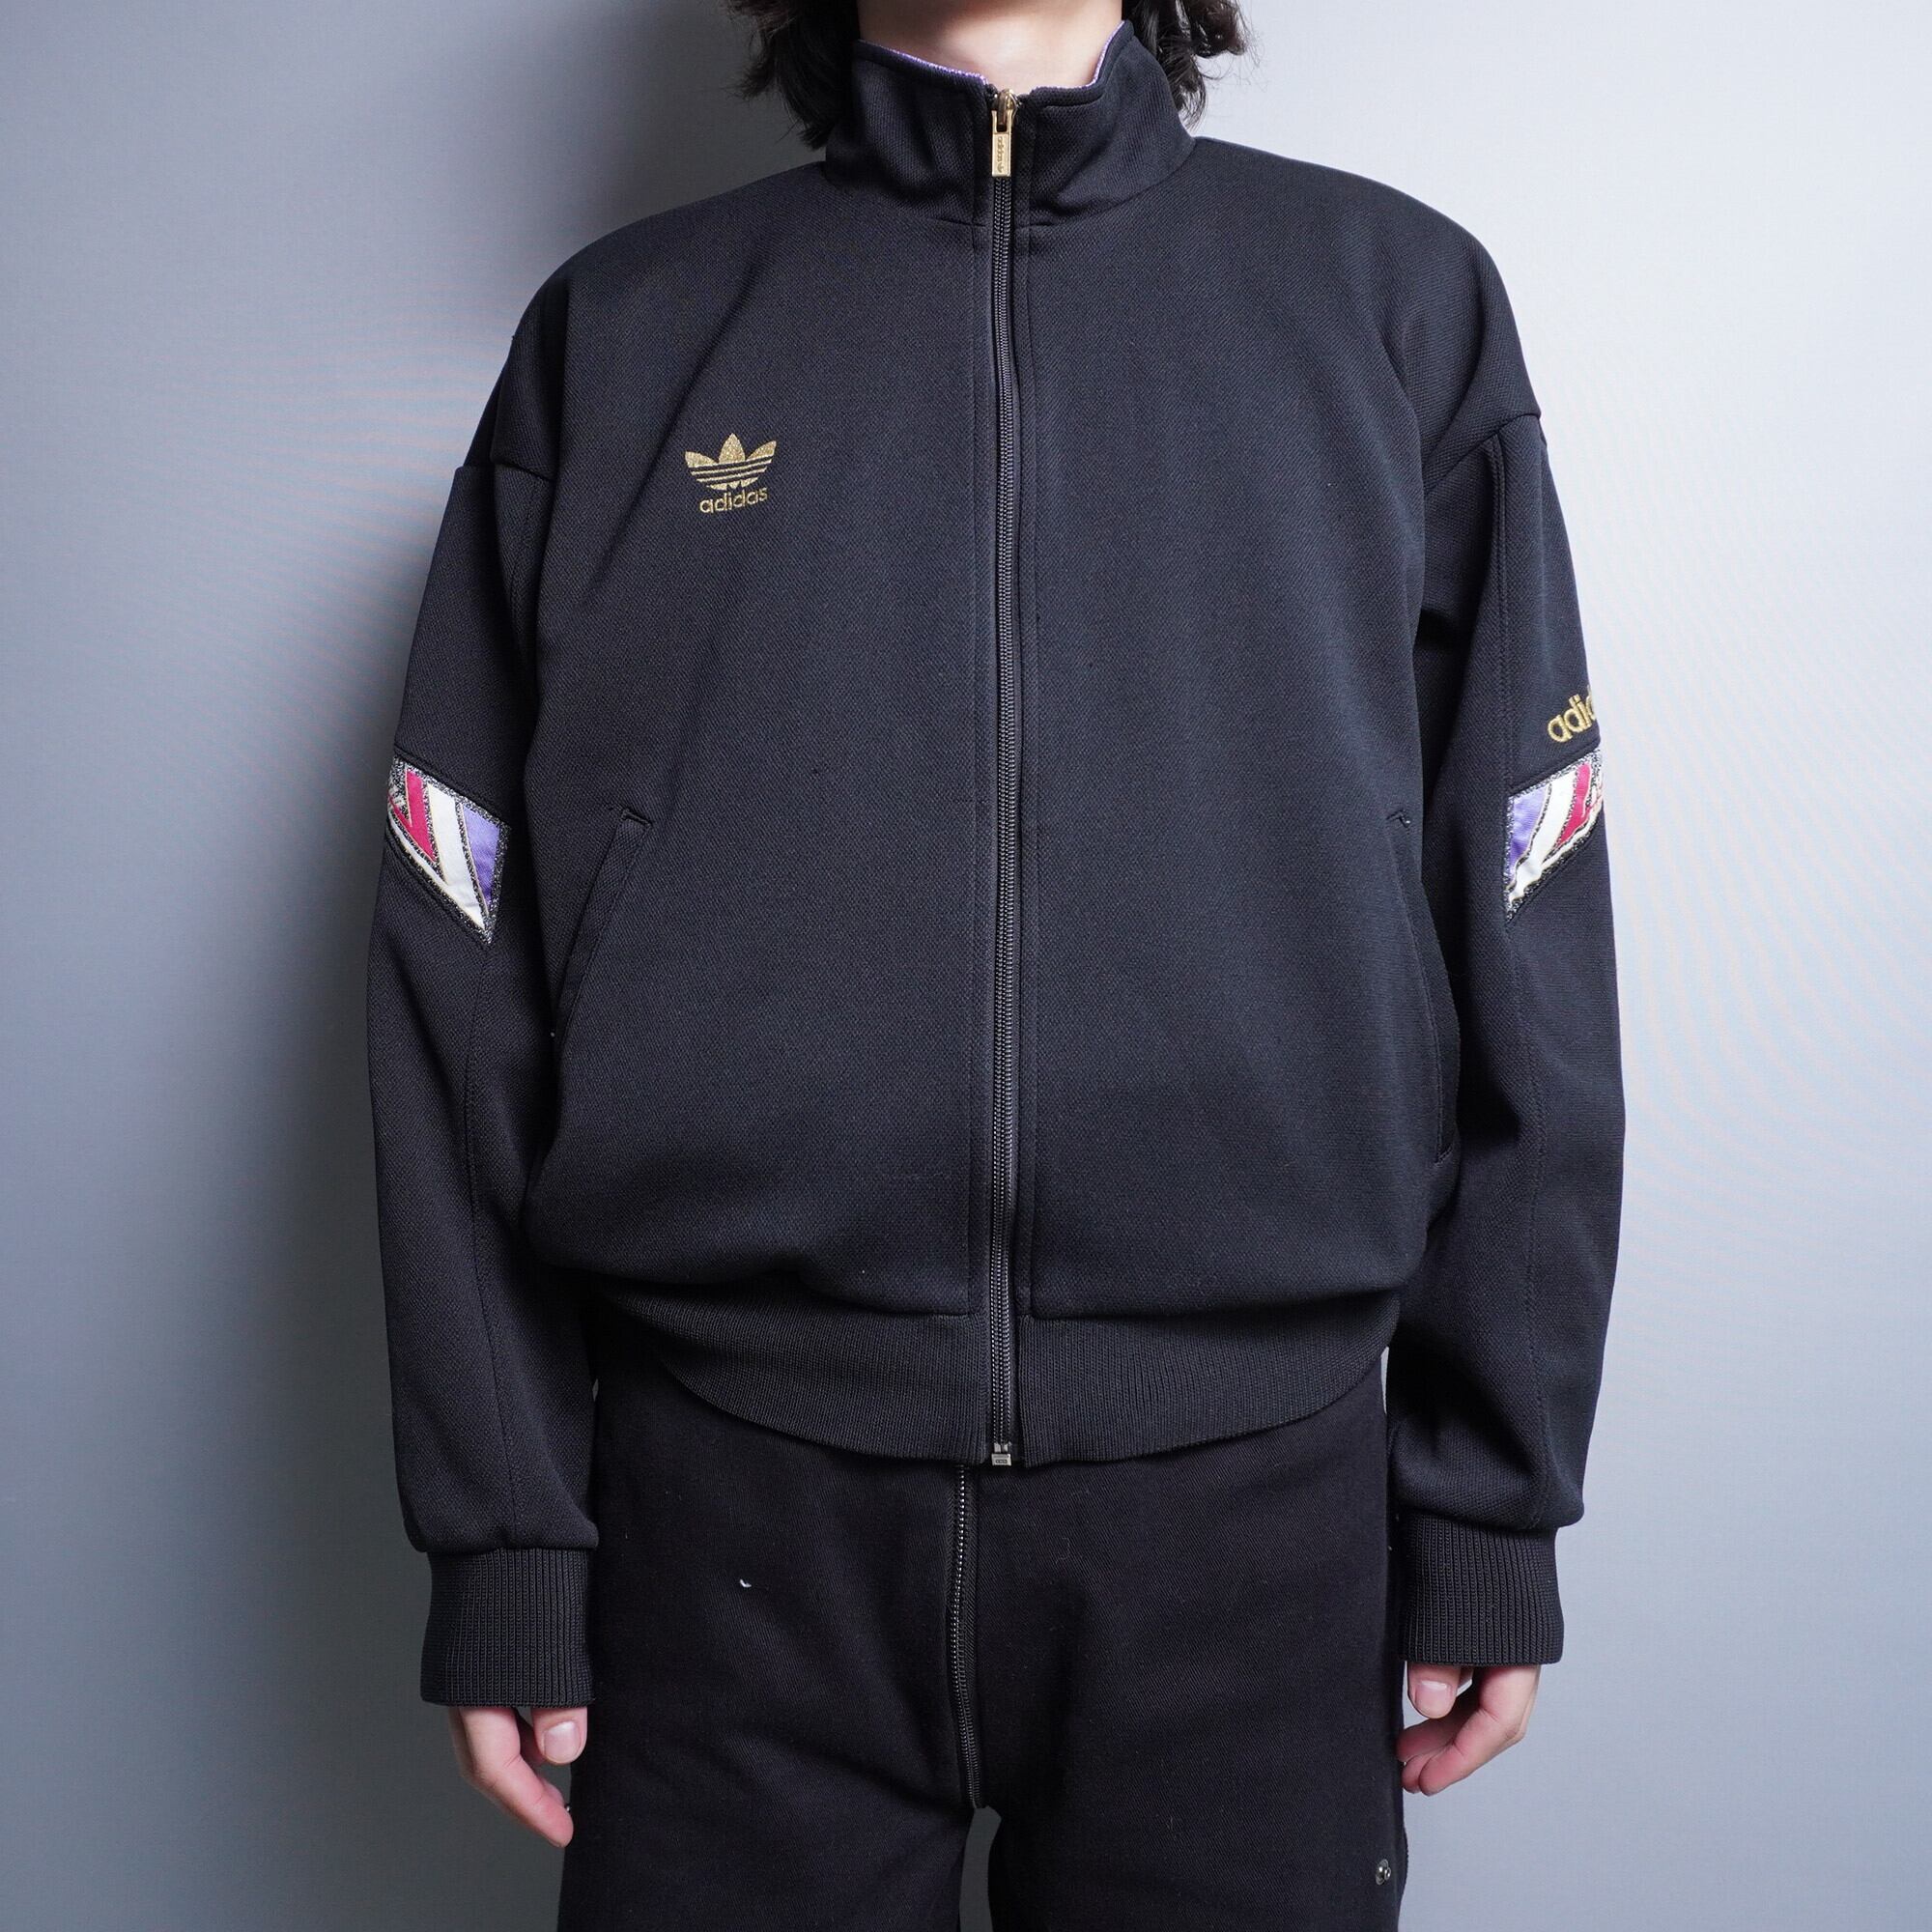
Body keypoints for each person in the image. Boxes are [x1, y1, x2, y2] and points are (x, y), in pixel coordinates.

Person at [364, 0, 1625, 1922]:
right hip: (723, 1529)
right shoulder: (622, 335)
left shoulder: (1392, 306)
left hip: (1252, 1527)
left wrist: (1489, 1504)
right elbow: (459, 961)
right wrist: (505, 1533)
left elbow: (1527, 919)